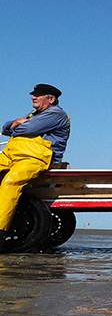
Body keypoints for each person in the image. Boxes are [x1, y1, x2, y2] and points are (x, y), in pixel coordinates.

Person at [0, 84, 70, 248]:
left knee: (11, 182)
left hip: (35, 158)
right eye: (33, 94)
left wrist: (16, 126)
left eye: (38, 95)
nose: (33, 97)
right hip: (12, 155)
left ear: (50, 99)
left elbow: (27, 128)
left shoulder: (55, 114)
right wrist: (14, 124)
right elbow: (5, 128)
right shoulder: (34, 114)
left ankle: (1, 231)